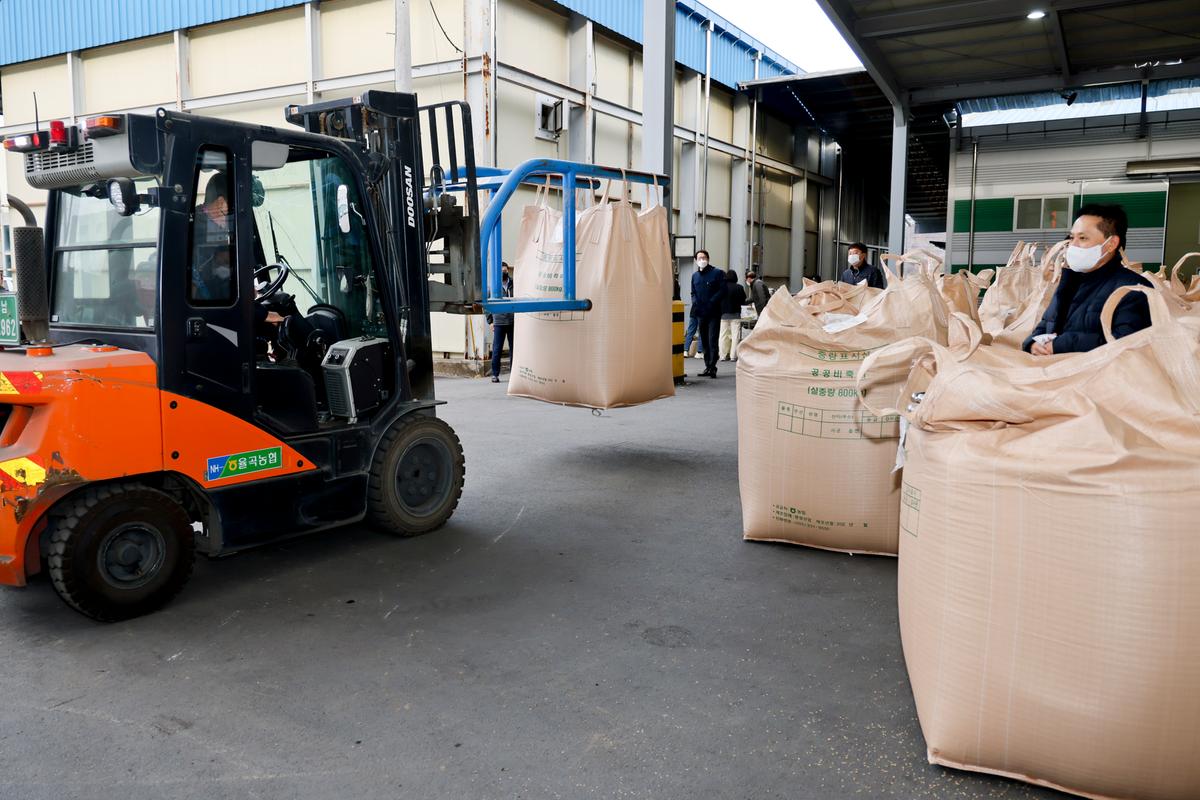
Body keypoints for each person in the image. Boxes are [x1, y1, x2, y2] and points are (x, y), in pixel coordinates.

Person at [1023, 203, 1151, 355]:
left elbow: (1127, 343)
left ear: (1111, 244)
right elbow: (1045, 325)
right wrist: (1033, 343)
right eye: (1072, 237)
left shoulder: (1133, 289)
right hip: (1057, 371)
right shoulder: (1070, 281)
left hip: (1097, 376)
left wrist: (1062, 345)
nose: (1072, 245)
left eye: (1082, 238)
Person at [690, 249, 726, 378]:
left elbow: (722, 290)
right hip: (701, 312)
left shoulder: (717, 273)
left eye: (704, 257)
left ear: (708, 259)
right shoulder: (694, 276)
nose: (702, 260)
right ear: (696, 260)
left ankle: (712, 366)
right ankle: (707, 366)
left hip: (713, 312)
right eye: (699, 258)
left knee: (712, 339)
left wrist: (711, 302)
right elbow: (693, 292)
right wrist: (695, 302)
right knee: (704, 340)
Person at [487, 261, 515, 383]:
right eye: (502, 271)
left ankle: (513, 374)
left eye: (505, 270)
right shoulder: (493, 286)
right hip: (498, 321)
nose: (504, 272)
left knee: (514, 349)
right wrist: (490, 321)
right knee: (497, 349)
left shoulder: (514, 284)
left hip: (513, 320)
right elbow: (487, 305)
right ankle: (495, 374)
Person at [719, 269, 747, 361]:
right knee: (735, 336)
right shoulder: (739, 287)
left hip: (723, 314)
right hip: (735, 314)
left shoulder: (722, 287)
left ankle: (722, 356)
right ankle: (733, 356)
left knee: (723, 335)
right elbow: (743, 300)